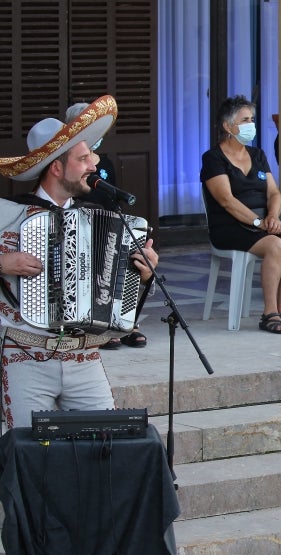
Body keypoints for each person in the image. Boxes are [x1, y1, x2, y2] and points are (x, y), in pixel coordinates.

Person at [0, 95, 158, 430]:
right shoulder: (7, 214)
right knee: (29, 453)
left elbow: (116, 293)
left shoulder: (95, 218)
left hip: (82, 354)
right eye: (84, 158)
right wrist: (3, 262)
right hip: (22, 355)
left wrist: (142, 273)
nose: (93, 165)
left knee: (107, 444)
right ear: (56, 167)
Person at [201, 95, 281, 334]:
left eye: (252, 119)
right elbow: (227, 201)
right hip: (230, 226)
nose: (251, 125)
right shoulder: (213, 158)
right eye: (245, 120)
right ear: (228, 126)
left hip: (264, 223)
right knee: (276, 247)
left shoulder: (257, 155)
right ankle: (269, 313)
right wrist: (259, 222)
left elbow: (274, 193)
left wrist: (273, 217)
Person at [65, 102, 147, 350]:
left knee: (131, 256)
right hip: (77, 224)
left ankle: (124, 323)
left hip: (106, 224)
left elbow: (110, 200)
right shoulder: (66, 163)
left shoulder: (105, 163)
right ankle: (98, 326)